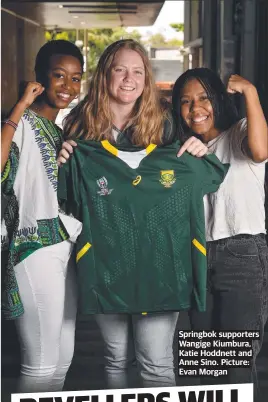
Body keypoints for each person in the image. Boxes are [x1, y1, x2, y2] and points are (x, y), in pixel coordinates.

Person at [57, 39, 228, 389]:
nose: (128, 78)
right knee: (115, 357)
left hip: (159, 264)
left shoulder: (164, 122)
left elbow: (187, 176)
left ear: (146, 79)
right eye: (120, 69)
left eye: (137, 71)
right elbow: (67, 200)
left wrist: (197, 146)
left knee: (156, 361)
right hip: (109, 263)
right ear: (105, 74)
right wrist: (64, 161)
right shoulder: (78, 123)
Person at [172, 68, 268, 389]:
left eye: (203, 98)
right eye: (186, 102)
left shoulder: (240, 132)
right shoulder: (184, 151)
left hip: (241, 254)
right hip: (198, 258)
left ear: (219, 99)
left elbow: (260, 151)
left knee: (235, 366)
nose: (195, 108)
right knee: (205, 366)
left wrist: (250, 92)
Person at [1, 40, 84, 392]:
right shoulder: (19, 122)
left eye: (76, 78)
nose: (67, 86)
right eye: (59, 76)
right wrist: (19, 105)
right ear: (39, 78)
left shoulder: (62, 131)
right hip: (33, 248)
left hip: (64, 247)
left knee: (62, 361)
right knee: (40, 365)